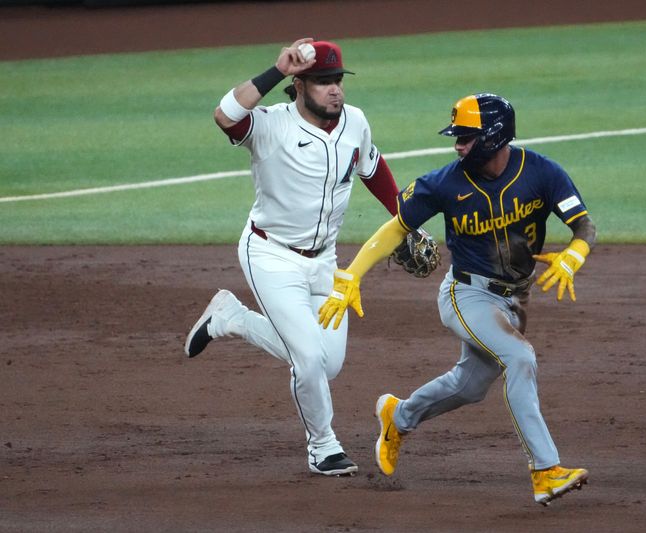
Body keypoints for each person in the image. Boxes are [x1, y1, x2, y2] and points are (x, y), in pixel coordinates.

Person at [318, 93, 597, 505]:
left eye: (466, 138)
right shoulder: (445, 182)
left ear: (494, 137)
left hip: (515, 303)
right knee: (520, 359)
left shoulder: (541, 173)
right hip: (465, 294)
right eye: (457, 138)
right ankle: (545, 471)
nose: (457, 145)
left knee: (469, 385)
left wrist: (575, 255)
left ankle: (399, 416)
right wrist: (351, 275)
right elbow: (395, 229)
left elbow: (583, 226)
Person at [184, 38, 402, 477]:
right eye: (323, 82)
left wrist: (405, 216)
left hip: (326, 262)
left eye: (338, 80)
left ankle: (231, 318)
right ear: (299, 84)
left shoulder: (355, 122)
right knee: (307, 359)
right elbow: (225, 114)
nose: (335, 90)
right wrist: (275, 69)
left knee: (329, 364)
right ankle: (323, 446)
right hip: (270, 254)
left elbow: (373, 170)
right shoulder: (268, 126)